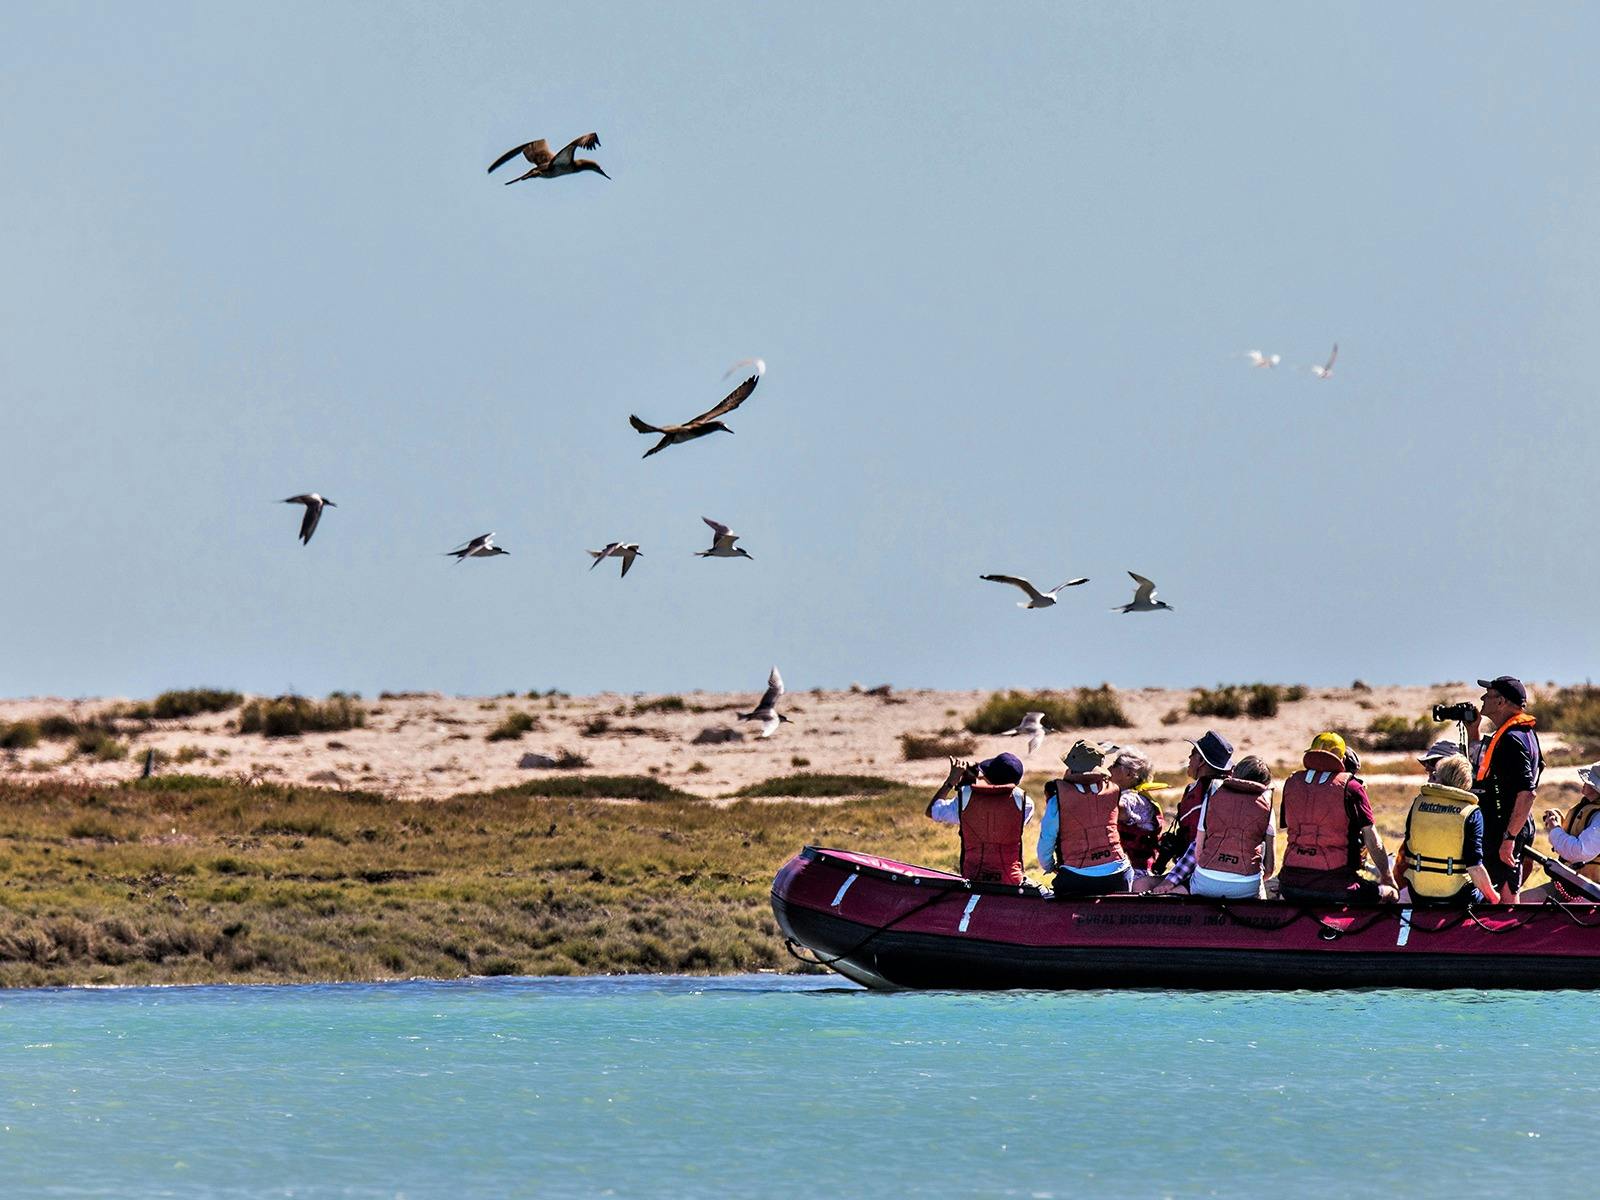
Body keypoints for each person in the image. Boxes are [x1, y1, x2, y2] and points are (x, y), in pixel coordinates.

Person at [1276, 731, 1397, 903]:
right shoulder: (1352, 787)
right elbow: (1373, 840)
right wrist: (1387, 877)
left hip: (1289, 885)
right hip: (1337, 886)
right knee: (1390, 893)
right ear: (1342, 759)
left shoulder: (1292, 782)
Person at [1147, 755, 1277, 898]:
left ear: (1234, 773)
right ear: (1265, 784)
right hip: (1246, 886)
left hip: (1206, 881)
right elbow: (1269, 869)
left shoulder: (1213, 793)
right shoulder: (1267, 802)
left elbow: (1197, 852)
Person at [1465, 675, 1543, 903]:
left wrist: (1509, 838)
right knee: (1500, 891)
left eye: (1488, 695)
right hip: (1512, 825)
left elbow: (1527, 793)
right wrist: (1473, 731)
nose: (1482, 698)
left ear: (1501, 702)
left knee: (1506, 897)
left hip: (1507, 828)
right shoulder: (1524, 733)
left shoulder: (1512, 740)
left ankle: (1507, 937)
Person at [1392, 754, 1496, 907]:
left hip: (1418, 892)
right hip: (1458, 895)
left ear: (1440, 775)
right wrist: (1494, 898)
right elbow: (1475, 867)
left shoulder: (1418, 804)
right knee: (1488, 896)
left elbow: (1408, 848)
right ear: (1466, 782)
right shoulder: (1471, 813)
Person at [1038, 739, 1132, 896]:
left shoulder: (1058, 798)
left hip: (1077, 877)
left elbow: (1046, 840)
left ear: (1070, 767)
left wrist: (1049, 866)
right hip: (1119, 873)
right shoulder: (1114, 791)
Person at [926, 752, 1034, 884]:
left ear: (988, 776)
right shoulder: (1025, 803)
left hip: (973, 877)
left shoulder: (965, 797)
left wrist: (952, 781)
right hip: (1010, 879)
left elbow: (932, 811)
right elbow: (1004, 796)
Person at [1155, 731, 1233, 872]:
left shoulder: (1201, 793)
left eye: (1192, 753)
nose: (1189, 757)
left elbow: (1197, 843)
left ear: (1202, 761)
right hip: (1228, 868)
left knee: (1141, 884)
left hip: (1197, 871)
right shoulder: (1230, 790)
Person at [1523, 762, 1600, 904]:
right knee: (1521, 902)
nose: (1584, 782)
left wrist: (1555, 829)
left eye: (1589, 781)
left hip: (1594, 892)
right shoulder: (1588, 808)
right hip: (1571, 885)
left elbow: (1579, 852)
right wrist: (1560, 824)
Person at [1108, 748, 1163, 877]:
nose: (1109, 768)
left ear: (1129, 774)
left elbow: (1120, 809)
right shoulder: (1129, 795)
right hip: (1126, 868)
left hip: (1136, 872)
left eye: (1115, 764)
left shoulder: (1134, 798)